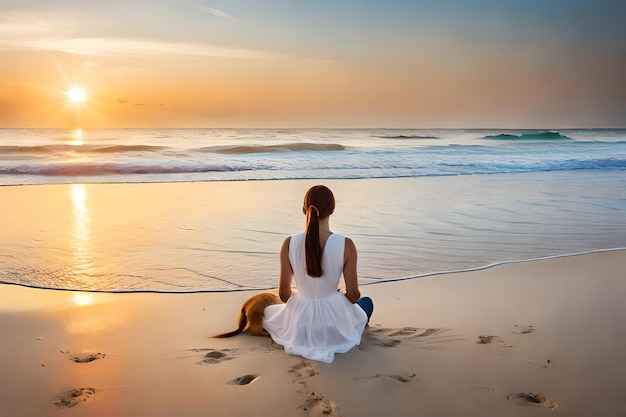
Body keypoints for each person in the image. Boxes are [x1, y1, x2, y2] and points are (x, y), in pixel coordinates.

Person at [263, 185, 373, 363]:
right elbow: (353, 295)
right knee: (366, 303)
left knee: (270, 313)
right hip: (333, 325)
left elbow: (284, 295)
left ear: (304, 209)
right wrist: (338, 296)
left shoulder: (289, 243)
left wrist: (302, 303)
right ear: (332, 209)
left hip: (301, 324)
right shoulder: (346, 244)